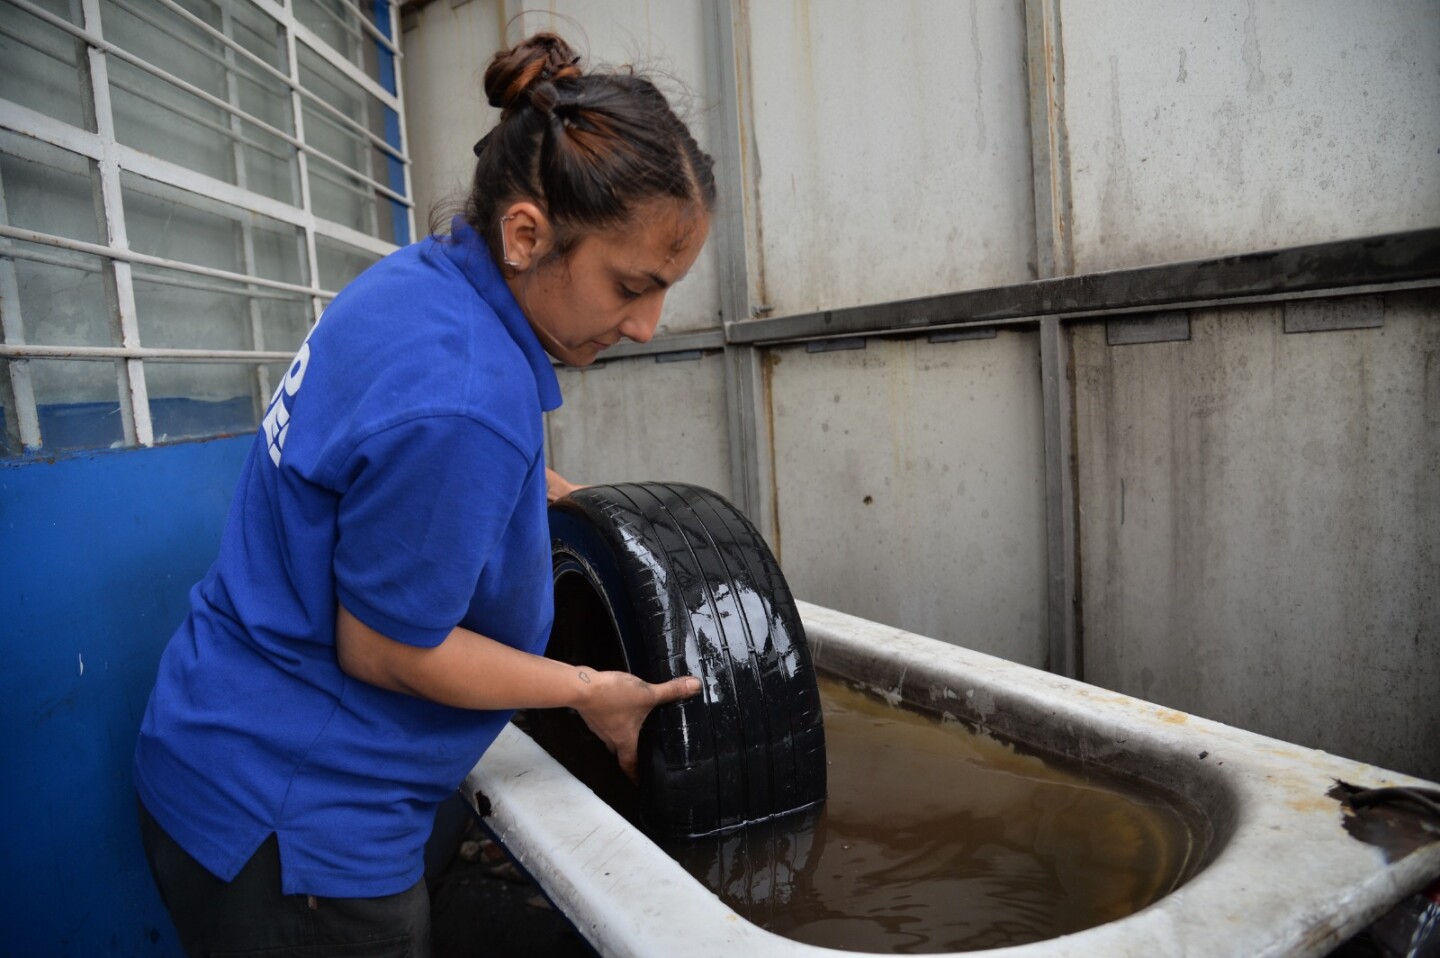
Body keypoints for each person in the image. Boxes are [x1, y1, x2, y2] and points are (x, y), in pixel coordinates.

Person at [133, 31, 715, 957]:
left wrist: (516, 492)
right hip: (296, 831)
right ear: (525, 234)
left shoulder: (420, 286)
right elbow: (387, 648)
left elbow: (374, 461)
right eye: (630, 286)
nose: (647, 325)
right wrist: (589, 691)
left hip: (216, 738)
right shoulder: (470, 399)